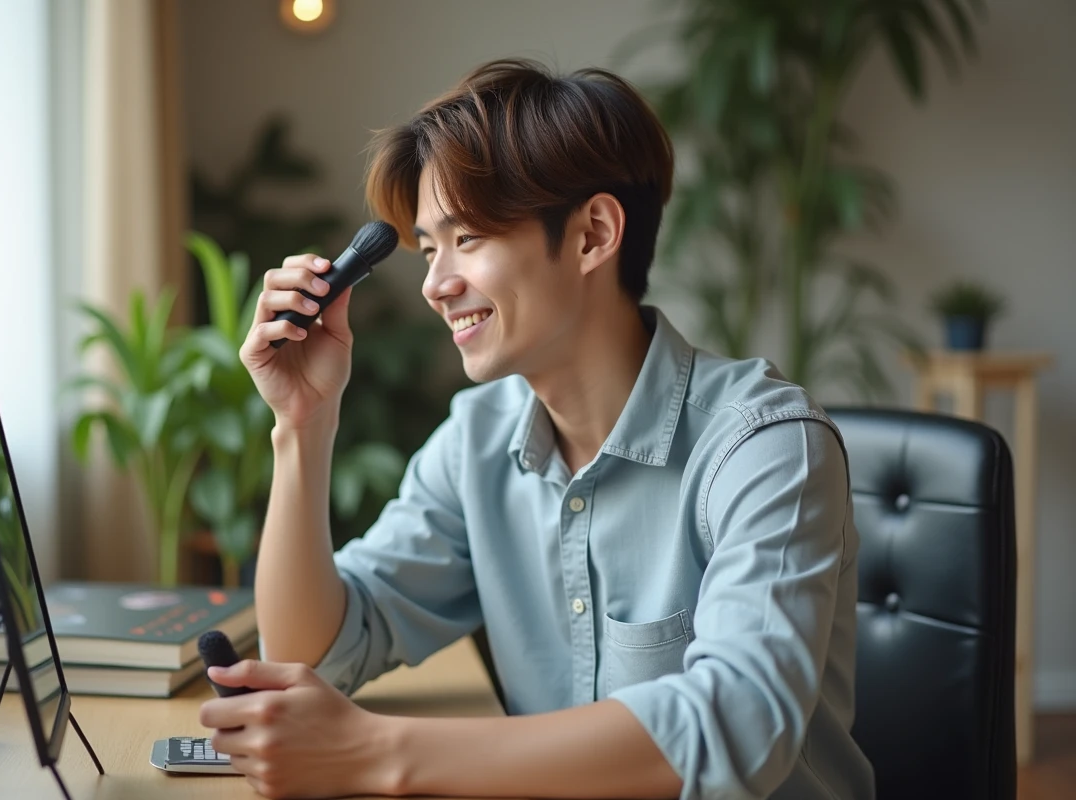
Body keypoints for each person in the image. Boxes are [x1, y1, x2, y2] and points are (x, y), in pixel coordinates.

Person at [199, 58, 876, 800]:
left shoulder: (767, 447)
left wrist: (377, 751)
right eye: (429, 249)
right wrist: (301, 422)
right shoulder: (476, 442)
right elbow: (315, 656)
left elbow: (734, 728)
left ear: (592, 234)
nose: (435, 284)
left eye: (470, 239)